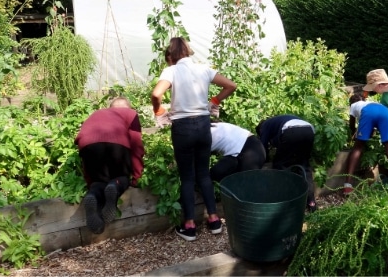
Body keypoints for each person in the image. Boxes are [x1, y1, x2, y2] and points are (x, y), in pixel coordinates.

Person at [151, 37, 237, 241]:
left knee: (188, 177)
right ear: (188, 51)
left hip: (182, 128)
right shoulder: (204, 69)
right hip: (203, 125)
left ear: (170, 56)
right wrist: (214, 101)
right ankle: (214, 220)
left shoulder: (171, 70)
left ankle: (189, 226)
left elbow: (156, 94)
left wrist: (159, 110)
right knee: (204, 174)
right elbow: (231, 85)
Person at [75, 97, 145, 234]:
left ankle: (93, 194)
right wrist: (136, 177)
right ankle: (115, 186)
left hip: (87, 145)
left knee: (99, 181)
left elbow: (84, 150)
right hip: (116, 143)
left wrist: (90, 181)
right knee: (122, 176)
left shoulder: (96, 114)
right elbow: (136, 145)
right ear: (129, 108)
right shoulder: (131, 114)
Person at [256, 115, 317, 212]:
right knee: (304, 167)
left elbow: (262, 147)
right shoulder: (278, 120)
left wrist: (263, 161)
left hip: (291, 131)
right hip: (309, 130)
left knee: (280, 167)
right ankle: (311, 203)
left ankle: (282, 204)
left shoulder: (264, 126)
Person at [343, 93, 388, 195]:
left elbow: (352, 126)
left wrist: (354, 136)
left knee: (357, 148)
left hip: (369, 113)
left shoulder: (353, 105)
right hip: (385, 112)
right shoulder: (371, 103)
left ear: (351, 102)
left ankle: (348, 185)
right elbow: (373, 126)